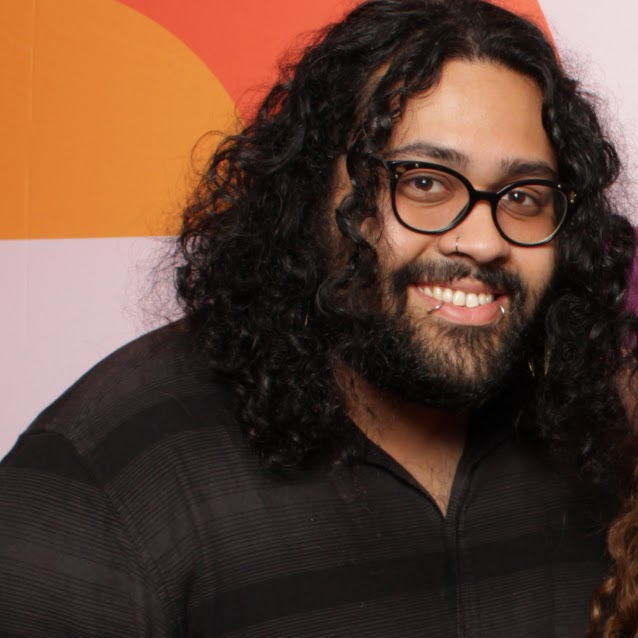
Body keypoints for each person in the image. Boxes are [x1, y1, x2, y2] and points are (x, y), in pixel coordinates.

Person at [1, 0, 637, 635]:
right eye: (422, 183)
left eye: (522, 196)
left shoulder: (589, 440)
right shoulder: (111, 472)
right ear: (310, 192)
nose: (481, 241)